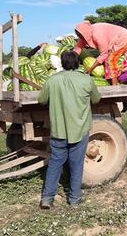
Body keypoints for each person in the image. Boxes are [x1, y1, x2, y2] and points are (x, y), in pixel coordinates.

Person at [38, 51, 101, 209]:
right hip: (79, 130)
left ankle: (47, 198)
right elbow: (96, 99)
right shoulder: (86, 80)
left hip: (58, 130)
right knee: (76, 163)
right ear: (78, 63)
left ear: (62, 64)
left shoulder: (52, 80)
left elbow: (41, 100)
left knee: (55, 163)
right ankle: (74, 198)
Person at [73, 21, 127, 85]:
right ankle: (112, 81)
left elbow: (104, 54)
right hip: (116, 39)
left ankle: (114, 86)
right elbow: (77, 49)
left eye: (79, 35)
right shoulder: (85, 34)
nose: (79, 37)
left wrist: (90, 69)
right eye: (77, 35)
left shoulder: (97, 34)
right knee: (108, 61)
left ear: (84, 32)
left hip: (123, 38)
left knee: (111, 60)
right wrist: (71, 61)